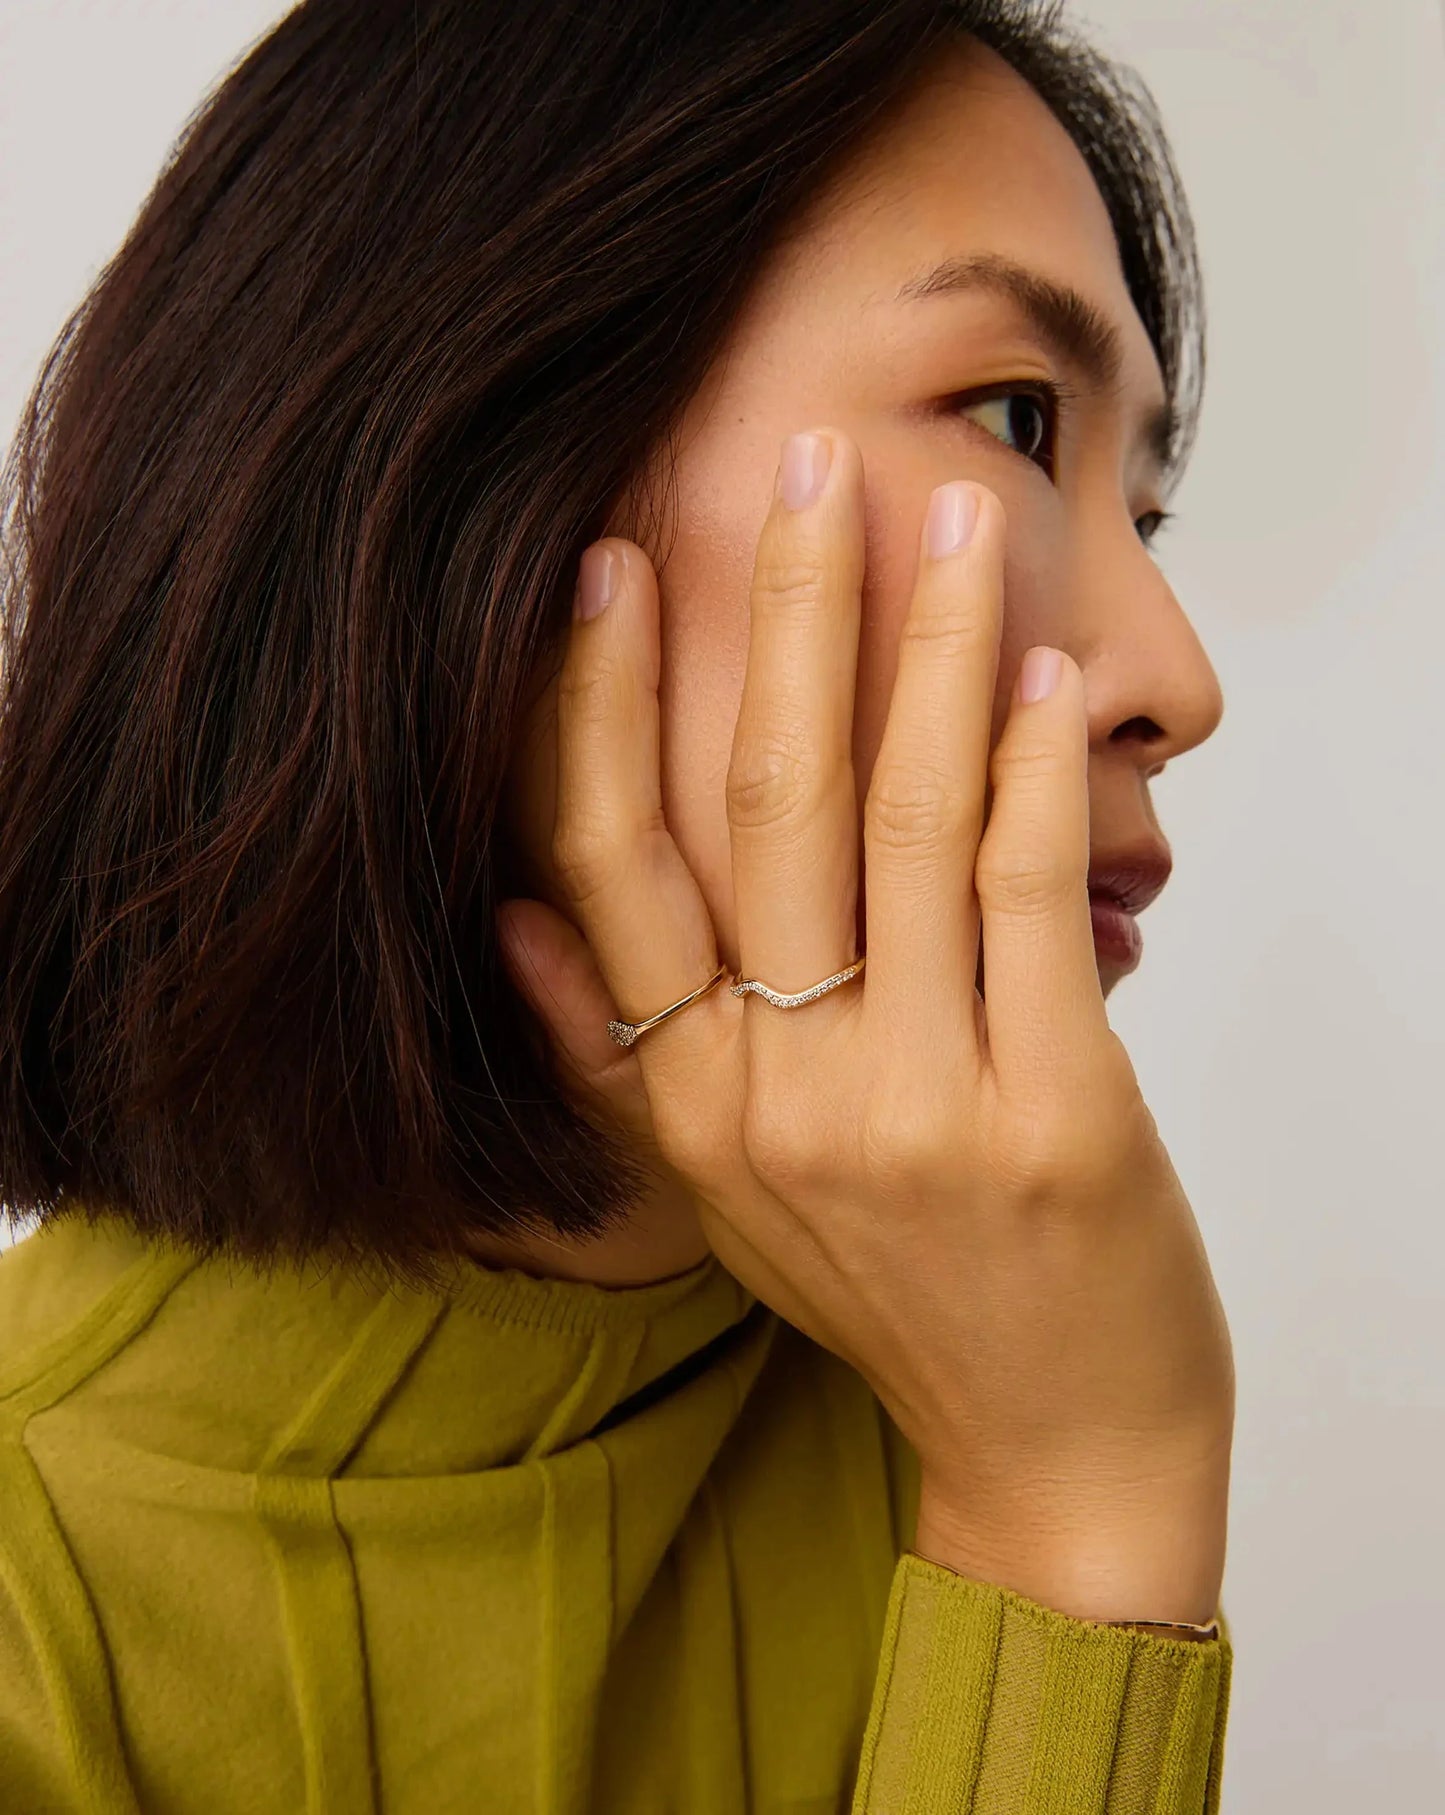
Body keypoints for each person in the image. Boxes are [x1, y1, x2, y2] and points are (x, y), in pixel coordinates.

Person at [0, 1, 1236, 1808]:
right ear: (461, 468)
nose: (1174, 678)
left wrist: (1073, 1502)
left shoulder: (996, 1350)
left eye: (1143, 507)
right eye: (1010, 417)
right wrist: (1072, 1517)